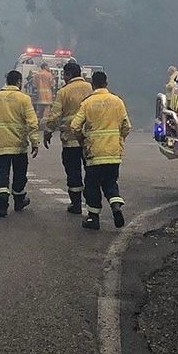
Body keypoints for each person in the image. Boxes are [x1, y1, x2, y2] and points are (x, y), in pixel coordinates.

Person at [69, 72, 129, 230]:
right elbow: (126, 126)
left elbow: (74, 126)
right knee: (111, 181)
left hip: (94, 153)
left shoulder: (87, 103)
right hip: (113, 153)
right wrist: (119, 139)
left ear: (92, 84)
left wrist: (82, 139)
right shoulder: (117, 101)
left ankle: (93, 219)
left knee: (92, 185)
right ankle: (115, 204)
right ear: (106, 83)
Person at [0, 70, 39, 218]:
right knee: (20, 174)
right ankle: (19, 200)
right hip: (19, 145)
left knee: (1, 174)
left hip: (1, 145)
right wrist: (35, 142)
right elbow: (32, 123)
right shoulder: (24, 99)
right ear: (19, 82)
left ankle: (2, 206)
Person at [43, 62, 93, 214]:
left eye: (64, 75)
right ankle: (92, 205)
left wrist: (48, 131)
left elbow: (55, 115)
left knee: (73, 172)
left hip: (70, 140)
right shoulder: (91, 89)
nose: (63, 78)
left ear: (69, 75)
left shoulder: (63, 92)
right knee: (90, 172)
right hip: (89, 140)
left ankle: (76, 204)